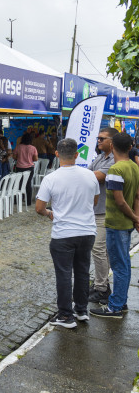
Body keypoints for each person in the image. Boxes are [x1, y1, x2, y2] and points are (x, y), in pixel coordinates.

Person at [35, 138, 99, 328]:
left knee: (63, 274)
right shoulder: (90, 176)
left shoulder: (51, 178)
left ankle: (65, 315)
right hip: (87, 231)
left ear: (56, 154)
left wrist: (49, 213)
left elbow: (39, 207)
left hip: (63, 233)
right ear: (76, 154)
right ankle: (81, 310)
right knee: (82, 272)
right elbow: (94, 202)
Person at [91, 133, 139, 318]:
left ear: (112, 146)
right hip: (126, 223)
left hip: (116, 223)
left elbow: (119, 202)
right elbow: (136, 196)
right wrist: (136, 218)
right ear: (129, 147)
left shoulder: (115, 170)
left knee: (119, 266)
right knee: (124, 264)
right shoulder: (134, 167)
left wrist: (134, 216)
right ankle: (121, 301)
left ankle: (115, 306)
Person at [87, 128, 118, 304]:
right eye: (98, 138)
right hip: (96, 209)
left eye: (102, 138)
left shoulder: (114, 159)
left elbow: (96, 176)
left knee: (98, 249)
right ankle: (101, 284)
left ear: (112, 142)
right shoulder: (100, 157)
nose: (98, 141)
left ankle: (102, 289)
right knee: (102, 250)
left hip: (105, 211)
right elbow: (88, 172)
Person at [13, 132, 38, 206]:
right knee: (28, 184)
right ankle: (28, 202)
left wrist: (20, 157)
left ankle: (17, 200)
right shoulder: (33, 148)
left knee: (19, 183)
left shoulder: (18, 147)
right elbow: (36, 159)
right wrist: (29, 159)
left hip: (19, 167)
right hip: (30, 168)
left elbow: (14, 157)